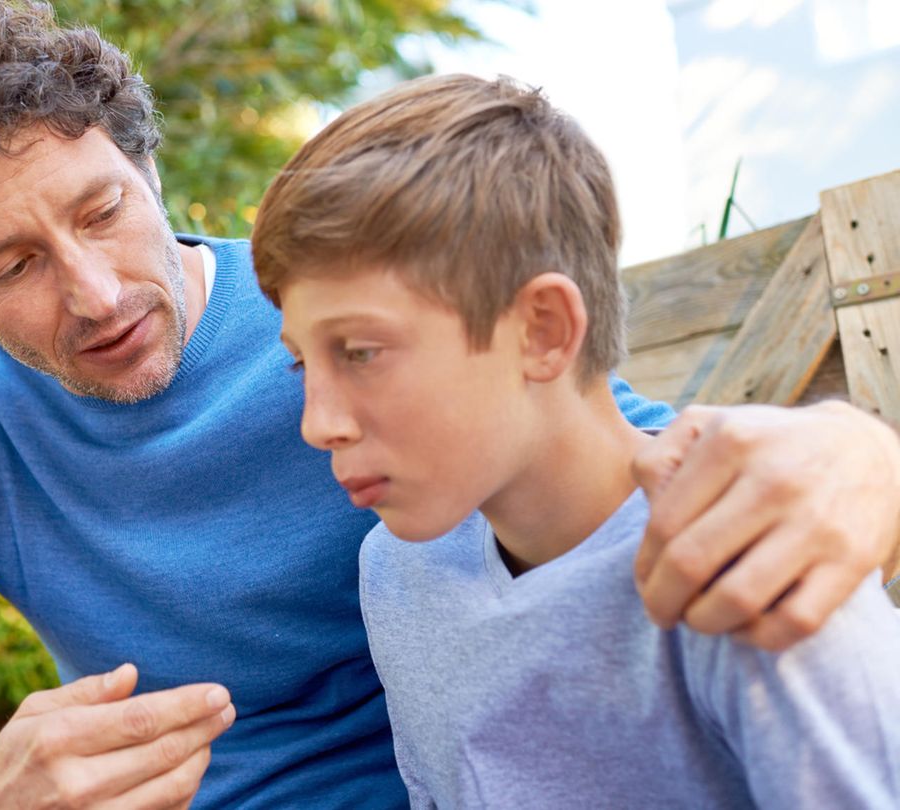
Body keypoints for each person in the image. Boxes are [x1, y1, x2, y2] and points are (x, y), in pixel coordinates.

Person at [0, 2, 900, 808]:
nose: (94, 294)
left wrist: (867, 453)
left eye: (101, 211)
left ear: (149, 169)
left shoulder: (340, 304)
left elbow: (584, 439)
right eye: (11, 268)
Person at [252, 73, 900, 807]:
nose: (317, 423)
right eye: (303, 363)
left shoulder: (751, 558)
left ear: (543, 331)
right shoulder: (397, 575)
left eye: (360, 352)